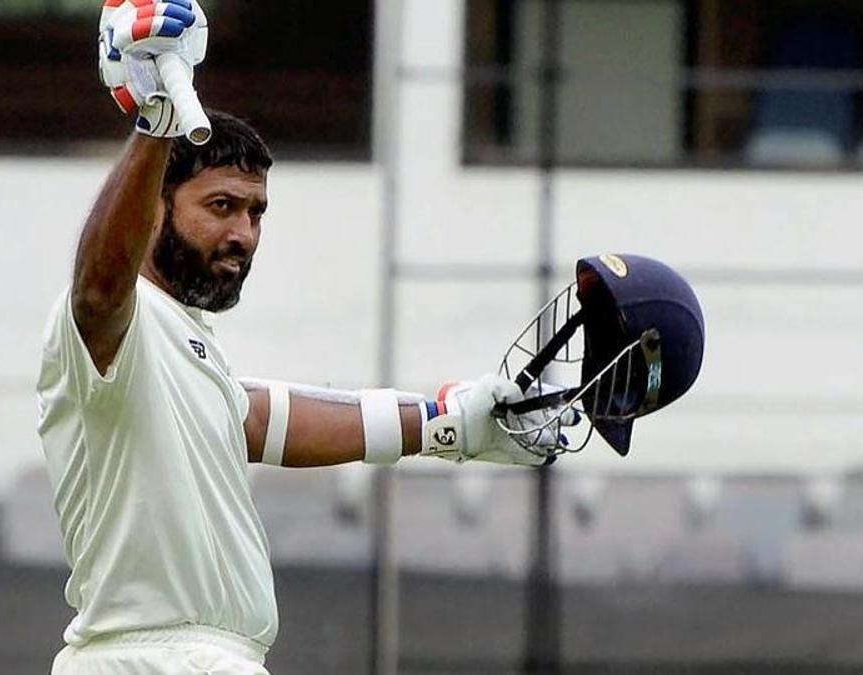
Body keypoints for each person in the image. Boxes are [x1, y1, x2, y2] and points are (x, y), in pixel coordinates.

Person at [36, 2, 576, 673]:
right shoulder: (112, 324)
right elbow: (96, 286)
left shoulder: (187, 350)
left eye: (256, 211)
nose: (244, 235)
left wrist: (452, 423)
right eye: (221, 206)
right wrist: (156, 122)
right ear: (154, 210)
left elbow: (271, 417)